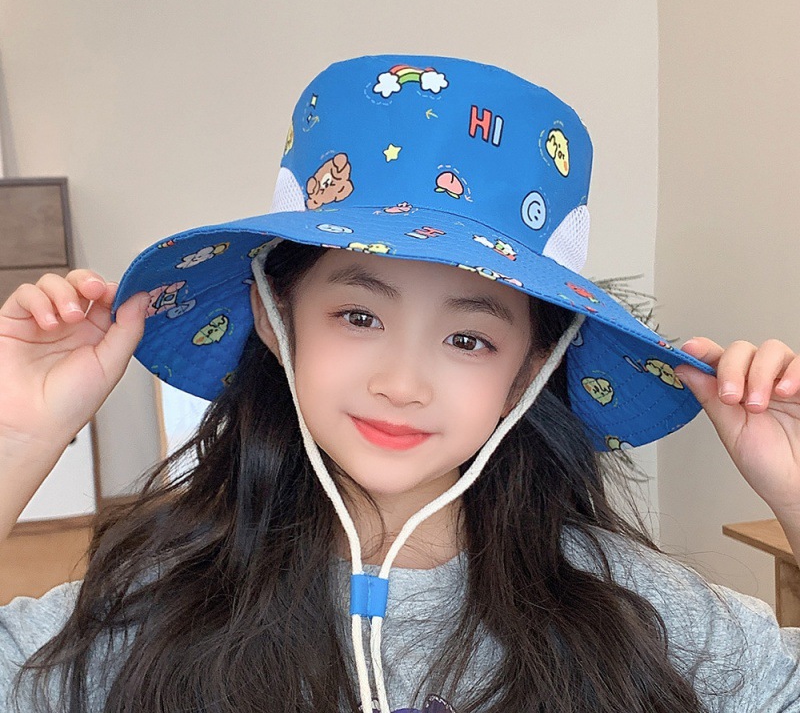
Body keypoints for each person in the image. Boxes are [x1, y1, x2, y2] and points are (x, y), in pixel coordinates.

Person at [0, 54, 799, 713]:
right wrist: (14, 442)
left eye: (467, 339)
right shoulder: (154, 604)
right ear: (275, 318)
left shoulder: (631, 611)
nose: (402, 383)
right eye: (358, 316)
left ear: (532, 366)